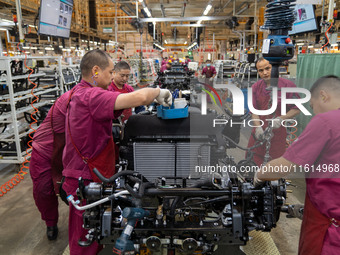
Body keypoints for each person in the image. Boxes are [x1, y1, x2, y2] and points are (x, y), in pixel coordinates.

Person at [61, 49, 172, 255]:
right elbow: (139, 97)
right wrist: (157, 92)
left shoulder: (80, 93)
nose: (112, 76)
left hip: (90, 173)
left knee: (94, 231)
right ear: (96, 70)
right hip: (86, 178)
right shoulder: (91, 95)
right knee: (84, 239)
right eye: (110, 71)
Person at [256, 75, 340, 255]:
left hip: (331, 233)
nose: (315, 111)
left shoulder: (326, 121)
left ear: (323, 96)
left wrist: (259, 176)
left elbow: (284, 166)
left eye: (313, 105)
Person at [29, 87, 74, 240]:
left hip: (69, 152)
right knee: (44, 190)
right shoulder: (72, 98)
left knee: (78, 187)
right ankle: (51, 223)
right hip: (45, 150)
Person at [247, 57, 300, 166]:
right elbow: (254, 111)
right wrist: (258, 128)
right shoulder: (256, 87)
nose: (265, 73)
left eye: (268, 68)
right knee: (251, 166)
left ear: (275, 68)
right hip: (259, 136)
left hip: (278, 135)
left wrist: (281, 119)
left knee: (274, 169)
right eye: (261, 71)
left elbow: (296, 108)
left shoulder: (288, 86)